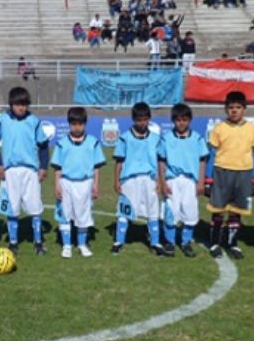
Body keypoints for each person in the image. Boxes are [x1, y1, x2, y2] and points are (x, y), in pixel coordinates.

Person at [0, 87, 50, 255]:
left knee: (35, 207)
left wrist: (43, 167)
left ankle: (38, 242)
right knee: (12, 208)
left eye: (24, 104)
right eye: (18, 104)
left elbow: (43, 146)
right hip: (10, 172)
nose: (21, 108)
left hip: (31, 171)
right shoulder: (1, 120)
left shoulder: (34, 121)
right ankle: (13, 243)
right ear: (11, 104)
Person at [204, 91, 254, 260]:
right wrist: (208, 179)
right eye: (231, 108)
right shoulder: (219, 128)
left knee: (236, 212)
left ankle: (232, 244)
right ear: (225, 109)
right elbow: (212, 155)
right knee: (218, 210)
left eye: (238, 107)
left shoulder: (252, 129)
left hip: (243, 174)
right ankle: (214, 243)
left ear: (244, 109)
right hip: (222, 172)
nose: (234, 111)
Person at [51, 107, 105, 259]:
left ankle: (82, 244)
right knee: (65, 214)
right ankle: (67, 245)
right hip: (66, 182)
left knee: (83, 215)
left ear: (85, 124)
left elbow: (96, 167)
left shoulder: (93, 142)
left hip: (85, 183)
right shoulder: (62, 144)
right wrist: (57, 185)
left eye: (80, 123)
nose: (77, 127)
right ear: (69, 124)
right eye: (73, 124)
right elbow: (57, 167)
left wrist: (95, 184)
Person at [111, 102, 164, 256]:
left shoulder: (155, 138)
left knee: (152, 210)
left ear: (149, 119)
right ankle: (119, 241)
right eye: (139, 119)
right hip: (129, 180)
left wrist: (160, 180)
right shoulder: (125, 138)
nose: (142, 122)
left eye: (145, 119)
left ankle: (155, 242)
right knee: (124, 210)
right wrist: (116, 181)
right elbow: (119, 161)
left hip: (150, 179)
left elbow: (160, 160)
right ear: (133, 119)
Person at [157, 104, 209, 257]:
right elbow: (161, 161)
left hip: (190, 182)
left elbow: (202, 161)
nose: (181, 123)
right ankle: (170, 242)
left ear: (190, 120)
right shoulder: (166, 139)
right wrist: (162, 182)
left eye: (184, 120)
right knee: (170, 212)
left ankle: (186, 242)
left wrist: (200, 182)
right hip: (172, 180)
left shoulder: (197, 139)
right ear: (173, 121)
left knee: (190, 211)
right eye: (178, 120)